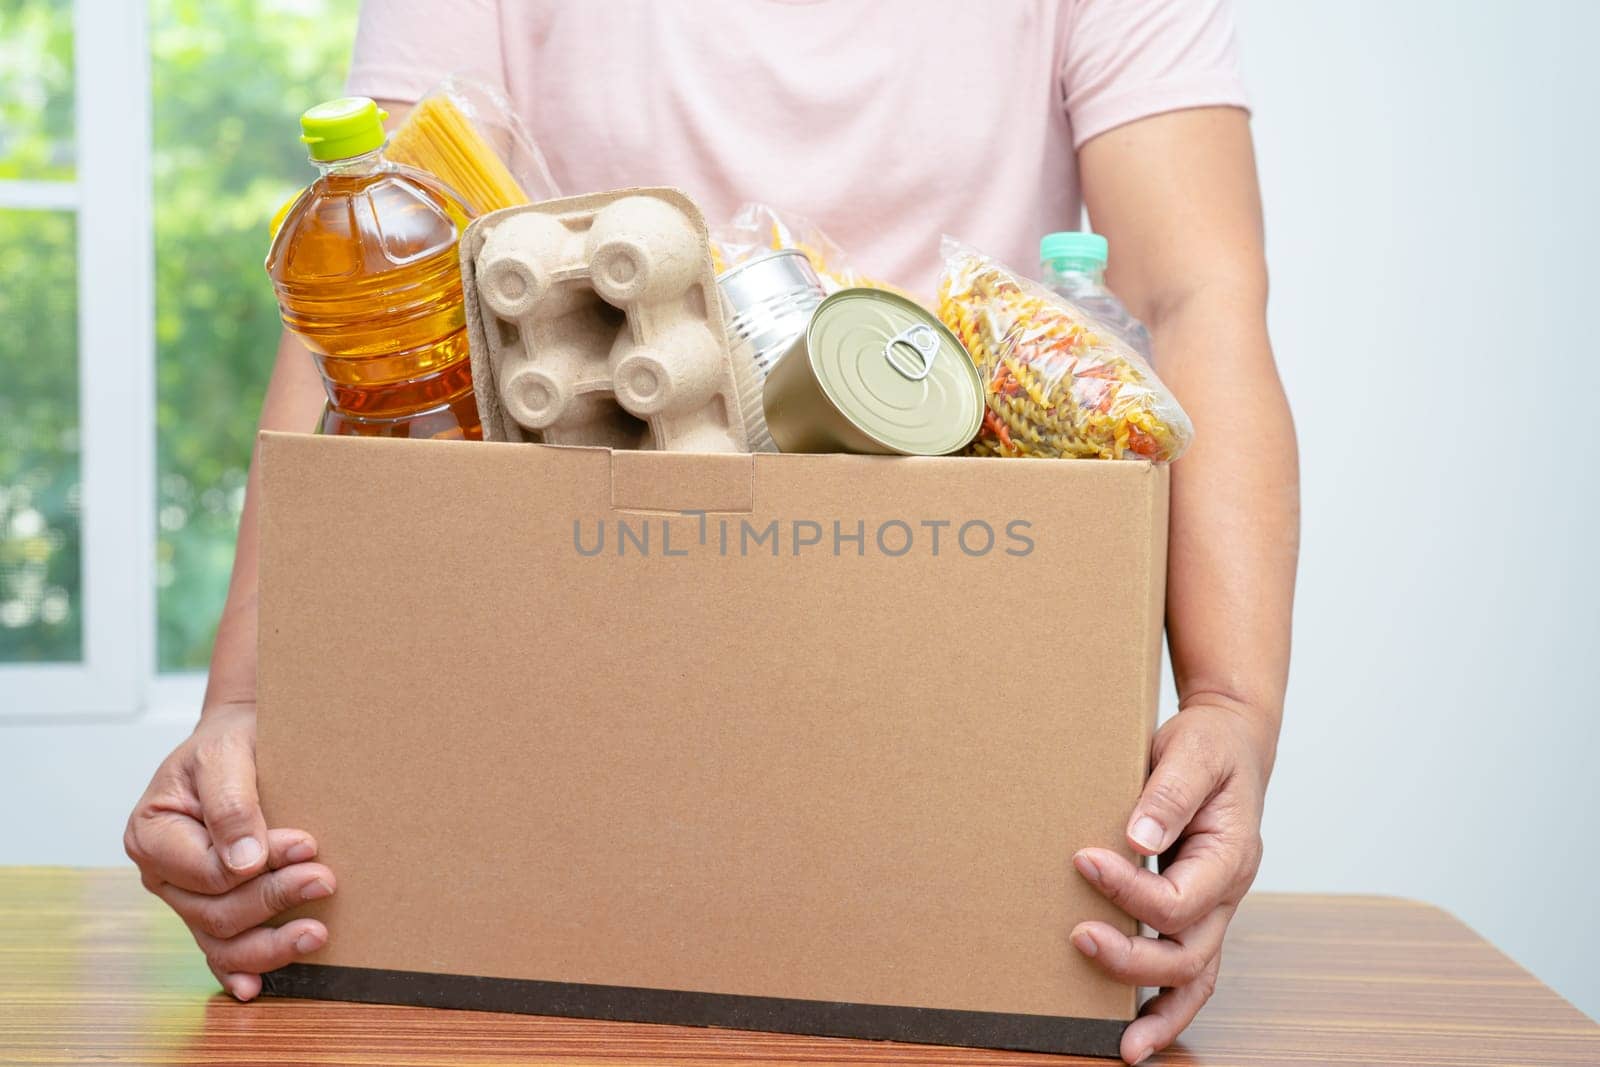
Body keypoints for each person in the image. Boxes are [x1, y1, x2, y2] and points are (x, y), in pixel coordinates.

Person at [124, 2, 1298, 1062]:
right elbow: (370, 311)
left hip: (937, 635)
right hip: (576, 656)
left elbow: (1190, 296)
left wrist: (1230, 709)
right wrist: (243, 711)